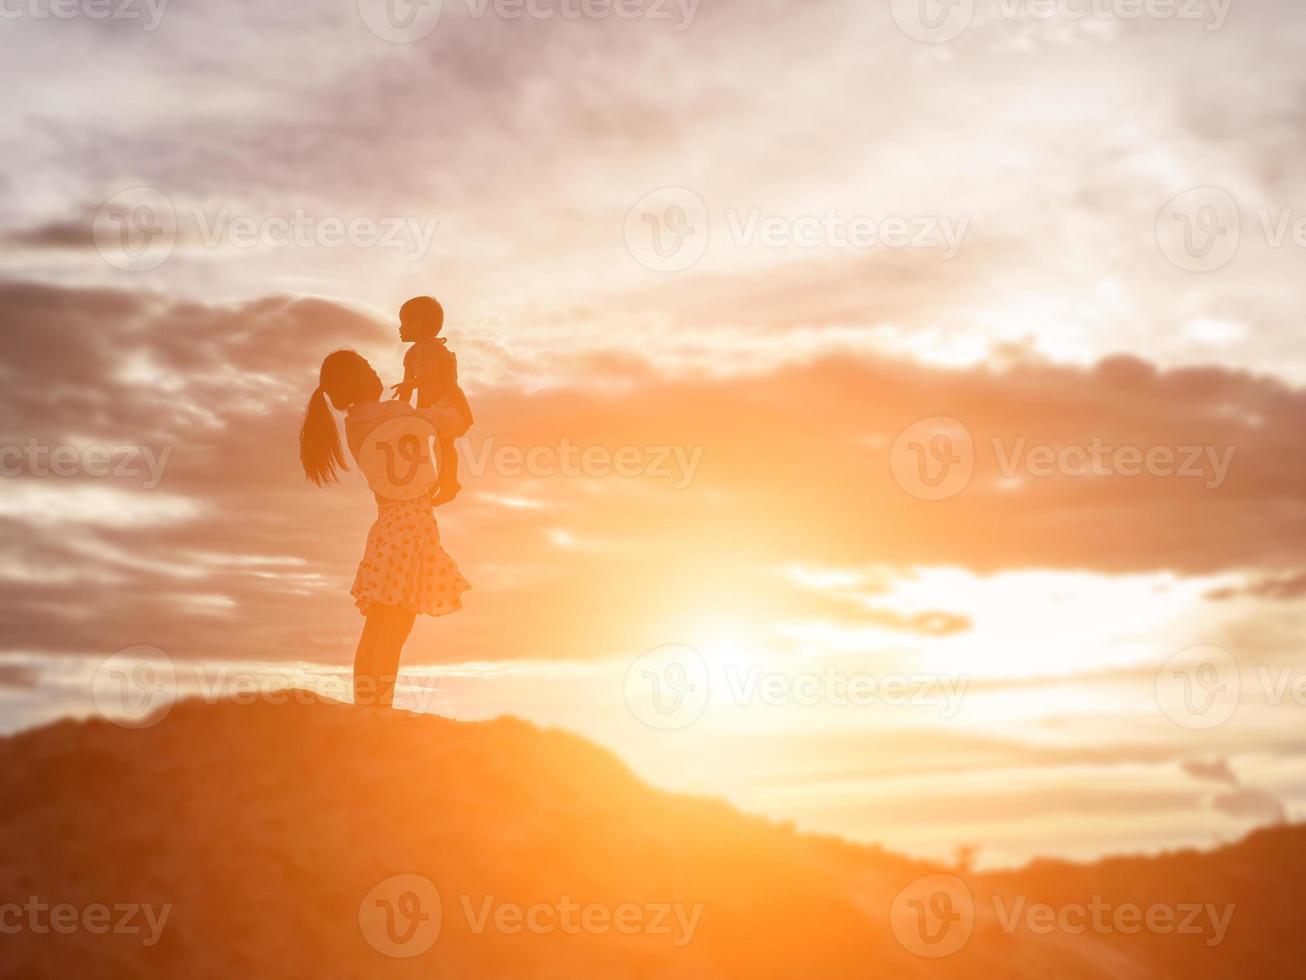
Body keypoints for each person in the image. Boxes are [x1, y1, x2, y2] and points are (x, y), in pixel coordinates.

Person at [300, 349, 470, 708]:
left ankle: (366, 709)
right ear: (357, 381)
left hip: (387, 527)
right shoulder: (396, 413)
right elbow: (455, 421)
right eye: (366, 367)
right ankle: (380, 711)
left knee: (379, 623)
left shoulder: (355, 425)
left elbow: (398, 425)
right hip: (412, 525)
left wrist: (409, 393)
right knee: (395, 627)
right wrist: (448, 383)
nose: (375, 370)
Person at [392, 296, 474, 506]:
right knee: (439, 443)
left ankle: (444, 483)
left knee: (443, 444)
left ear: (418, 325)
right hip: (438, 408)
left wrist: (412, 386)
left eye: (404, 323)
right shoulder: (411, 355)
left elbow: (434, 375)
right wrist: (401, 410)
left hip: (452, 407)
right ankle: (443, 483)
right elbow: (409, 389)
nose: (400, 328)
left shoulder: (432, 348)